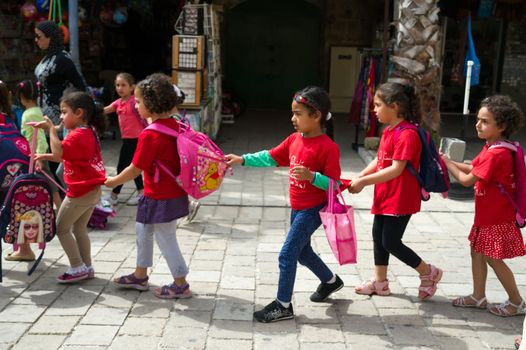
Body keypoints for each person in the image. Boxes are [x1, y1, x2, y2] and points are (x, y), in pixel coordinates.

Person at [225, 86, 343, 323]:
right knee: (303, 253)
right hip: (297, 208)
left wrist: (312, 177)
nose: (293, 118)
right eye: (293, 113)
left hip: (313, 210)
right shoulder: (293, 140)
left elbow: (335, 185)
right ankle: (331, 281)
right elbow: (270, 156)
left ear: (316, 115)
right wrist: (243, 159)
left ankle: (283, 305)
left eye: (298, 113)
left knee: (287, 254)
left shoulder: (328, 148)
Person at [349, 82, 443, 300]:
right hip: (385, 195)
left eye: (378, 105)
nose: (374, 110)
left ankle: (428, 272)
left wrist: (364, 183)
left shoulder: (407, 134)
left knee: (390, 242)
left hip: (400, 198)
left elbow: (396, 169)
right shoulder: (389, 131)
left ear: (395, 106)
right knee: (377, 237)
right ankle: (380, 282)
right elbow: (380, 161)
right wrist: (361, 176)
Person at [105, 73, 191, 299]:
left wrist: (112, 182)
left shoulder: (150, 134)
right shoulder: (177, 125)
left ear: (151, 105)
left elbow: (135, 169)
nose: (136, 105)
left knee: (165, 237)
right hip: (169, 193)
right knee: (143, 229)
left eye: (139, 101)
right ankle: (140, 275)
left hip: (160, 196)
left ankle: (180, 283)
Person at [442, 95, 526, 316]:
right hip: (488, 215)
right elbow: (471, 168)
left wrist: (448, 163)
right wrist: (446, 161)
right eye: (478, 119)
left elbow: (467, 180)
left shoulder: (496, 154)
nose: (478, 124)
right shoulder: (495, 146)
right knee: (477, 252)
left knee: (492, 258)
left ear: (502, 126)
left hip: (495, 217)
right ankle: (478, 296)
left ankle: (517, 301)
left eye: (485, 121)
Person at [34, 91, 106, 283]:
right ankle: (87, 266)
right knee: (79, 228)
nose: (61, 117)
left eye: (64, 112)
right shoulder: (87, 131)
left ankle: (76, 266)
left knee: (61, 228)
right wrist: (43, 156)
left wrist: (50, 129)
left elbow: (58, 154)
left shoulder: (77, 135)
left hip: (80, 192)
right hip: (92, 190)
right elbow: (66, 155)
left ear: (79, 113)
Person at [5, 80, 62, 262]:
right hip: (40, 152)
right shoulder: (37, 110)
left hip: (32, 156)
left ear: (20, 97)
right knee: (50, 185)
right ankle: (60, 210)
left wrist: (34, 156)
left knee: (34, 190)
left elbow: (29, 137)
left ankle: (59, 212)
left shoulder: (27, 114)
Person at [34, 20, 87, 186]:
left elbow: (80, 86)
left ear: (50, 38)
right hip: (45, 112)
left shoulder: (63, 59)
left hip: (59, 116)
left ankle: (70, 195)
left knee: (59, 159)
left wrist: (70, 110)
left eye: (39, 37)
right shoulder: (47, 57)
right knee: (51, 158)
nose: (36, 40)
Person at [102, 72, 145, 206]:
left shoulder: (134, 102)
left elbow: (145, 118)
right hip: (128, 140)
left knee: (123, 167)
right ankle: (141, 193)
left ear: (132, 87)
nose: (120, 88)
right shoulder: (118, 103)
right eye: (117, 85)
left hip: (137, 139)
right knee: (132, 167)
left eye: (123, 85)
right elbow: (105, 110)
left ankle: (114, 195)